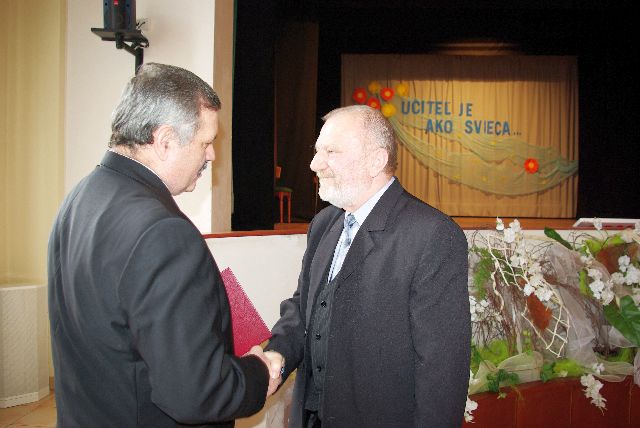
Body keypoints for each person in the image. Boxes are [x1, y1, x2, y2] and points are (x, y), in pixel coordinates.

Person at [48, 63, 280, 427]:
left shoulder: (79, 198)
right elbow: (196, 395)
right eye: (206, 142)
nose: (211, 156)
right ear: (165, 141)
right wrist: (258, 373)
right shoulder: (163, 233)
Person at [264, 105, 471, 427]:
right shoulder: (324, 224)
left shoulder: (432, 235)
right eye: (317, 151)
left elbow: (442, 369)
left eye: (331, 151)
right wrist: (277, 352)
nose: (314, 164)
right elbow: (304, 307)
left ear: (376, 161)